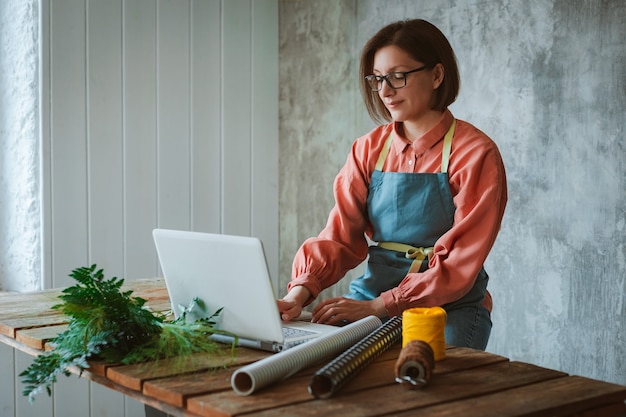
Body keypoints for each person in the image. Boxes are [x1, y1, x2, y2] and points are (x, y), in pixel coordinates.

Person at [277, 18, 507, 350]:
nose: (385, 91)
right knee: (313, 359)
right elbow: (339, 236)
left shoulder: (476, 153)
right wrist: (296, 295)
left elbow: (460, 264)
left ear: (437, 75)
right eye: (378, 79)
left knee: (434, 386)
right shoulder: (367, 148)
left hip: (448, 306)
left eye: (398, 77)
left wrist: (378, 307)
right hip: (372, 295)